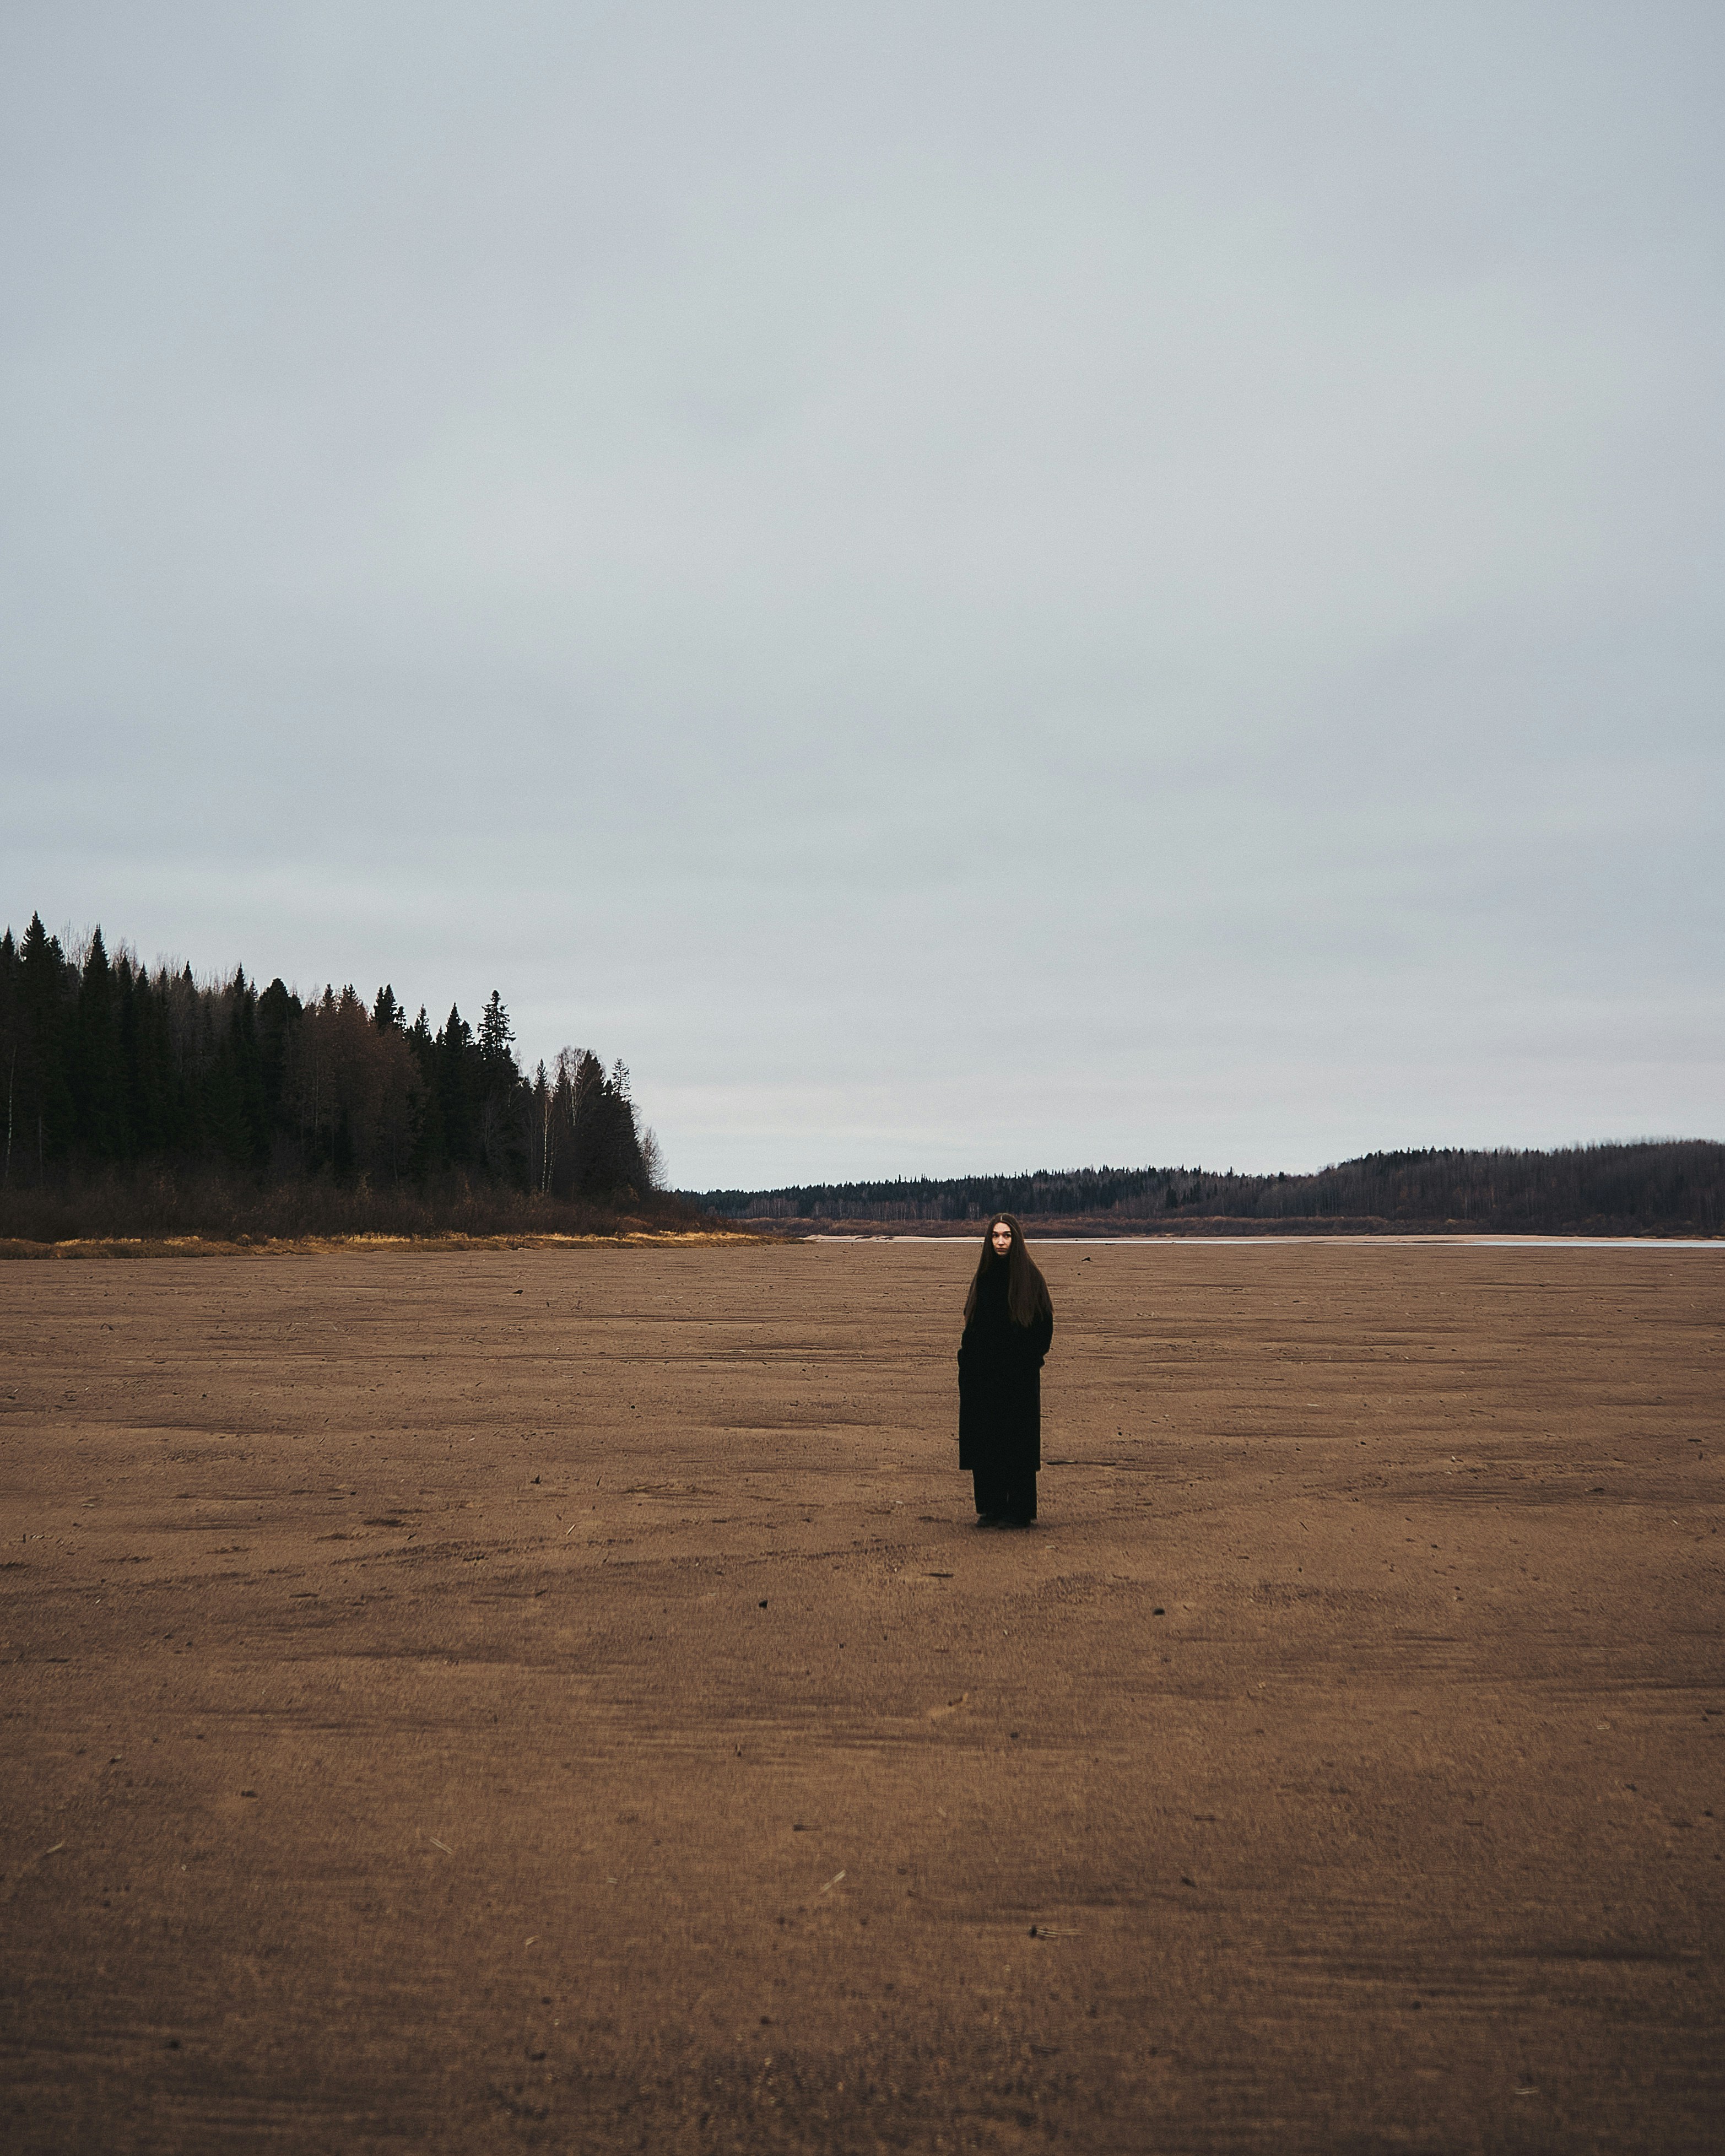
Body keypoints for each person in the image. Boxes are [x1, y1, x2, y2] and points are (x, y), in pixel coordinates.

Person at [957, 1212, 1054, 1526]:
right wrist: (967, 1362)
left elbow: (1044, 1327)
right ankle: (991, 1507)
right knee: (986, 1440)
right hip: (983, 1376)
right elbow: (971, 1328)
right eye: (996, 1236)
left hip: (1018, 1378)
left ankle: (1021, 1511)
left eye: (1007, 1236)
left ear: (1016, 1239)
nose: (1001, 1241)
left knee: (1017, 1441)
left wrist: (1029, 1362)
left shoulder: (1030, 1278)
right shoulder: (983, 1277)